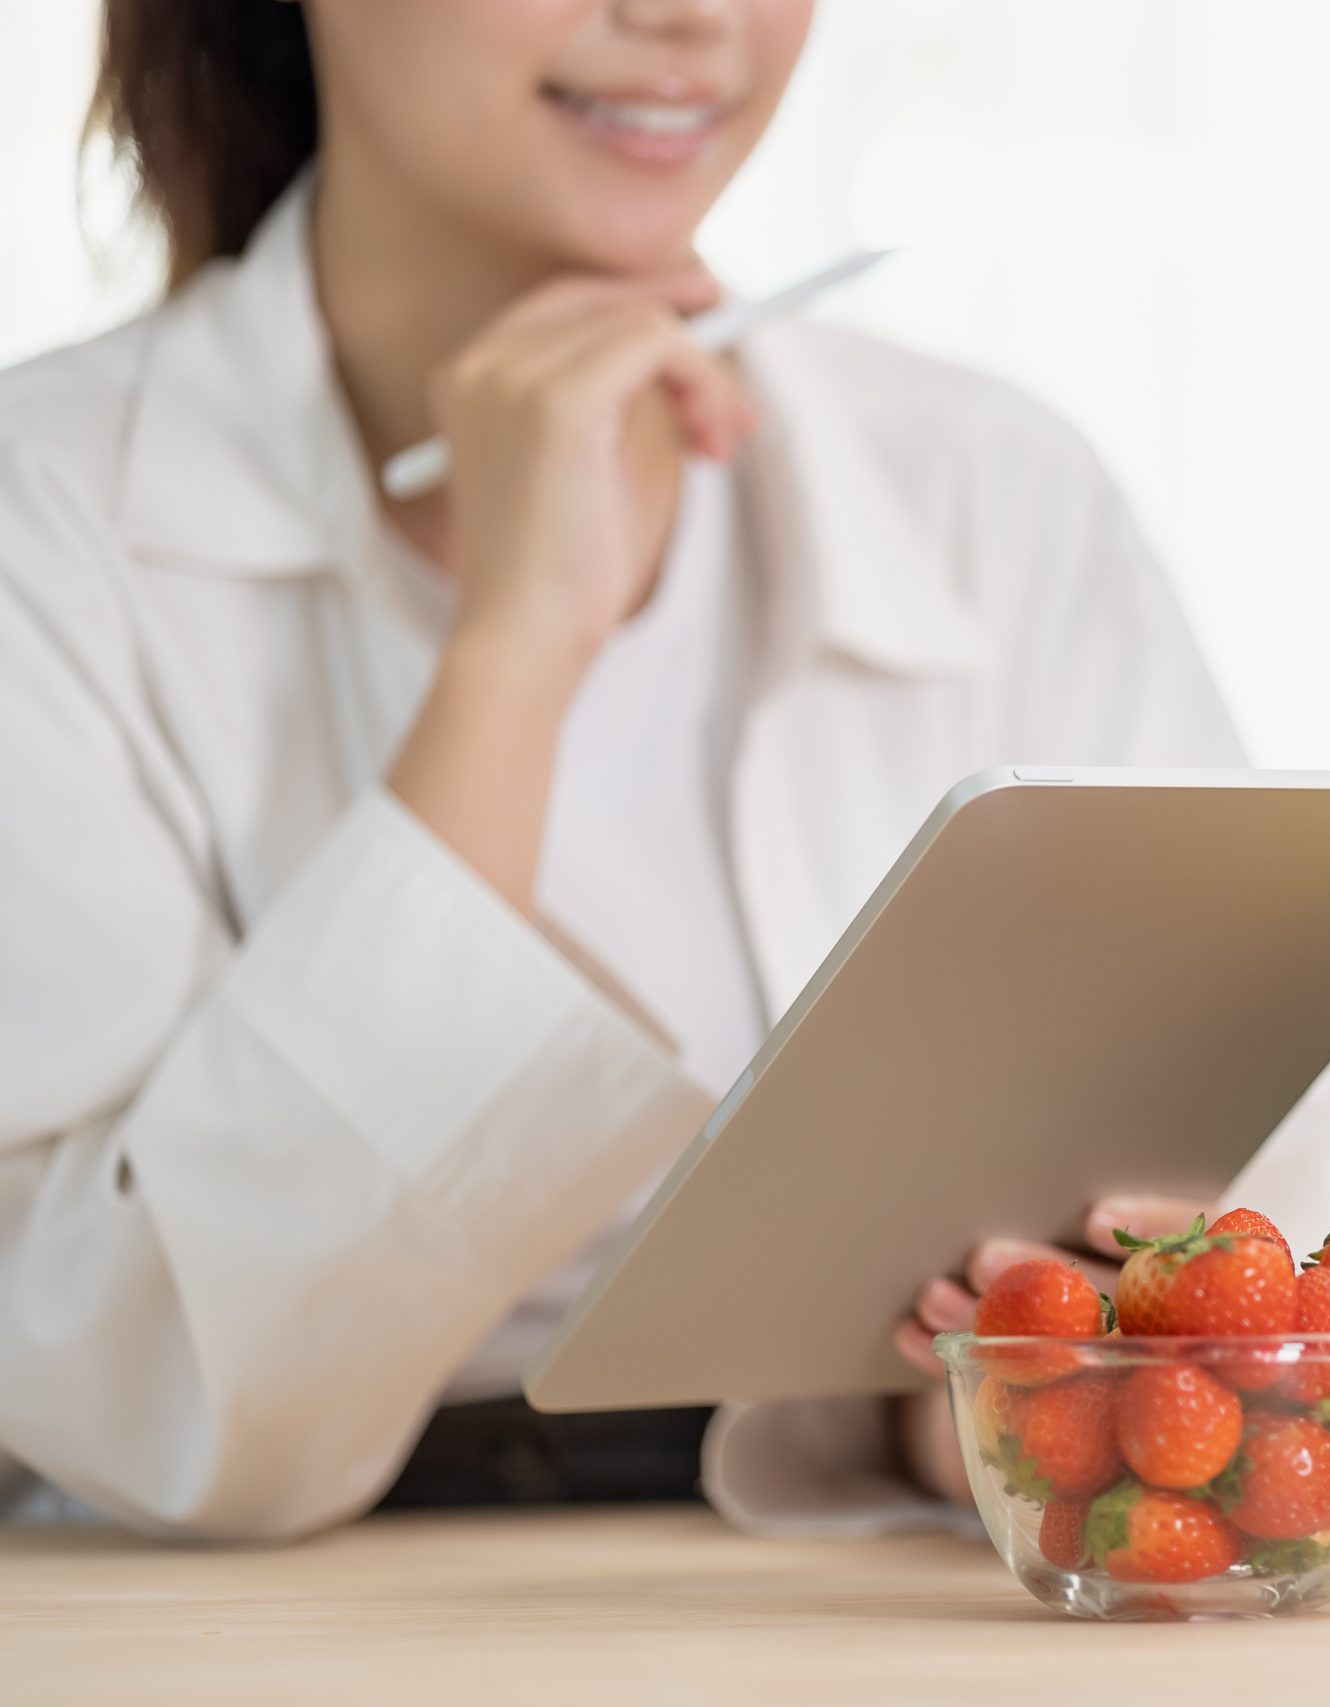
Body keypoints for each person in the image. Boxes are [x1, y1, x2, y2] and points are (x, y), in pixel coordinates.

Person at [0, 0, 1245, 1539]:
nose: (691, 17)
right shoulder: (39, 526)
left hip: (869, 1589)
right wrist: (514, 654)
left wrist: (1006, 1403)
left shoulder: (998, 491)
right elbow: (164, 1412)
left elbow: (1221, 1248)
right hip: (249, 1630)